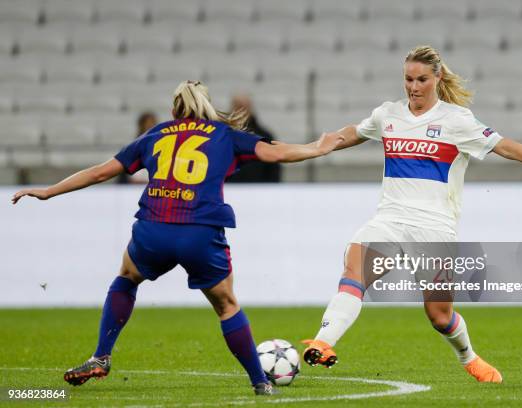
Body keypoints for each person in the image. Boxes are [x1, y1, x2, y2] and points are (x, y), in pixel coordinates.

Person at [12, 80, 344, 396]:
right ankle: (260, 382)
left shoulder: (155, 135)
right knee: (226, 305)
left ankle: (101, 356)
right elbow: (276, 153)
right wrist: (318, 148)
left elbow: (100, 171)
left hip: (154, 229)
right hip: (199, 231)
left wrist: (49, 192)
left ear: (175, 110)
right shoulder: (224, 135)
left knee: (127, 277)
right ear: (207, 107)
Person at [302, 46, 522, 383]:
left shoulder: (457, 120)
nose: (413, 87)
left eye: (421, 80)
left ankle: (469, 357)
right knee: (354, 271)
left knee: (439, 316)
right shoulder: (388, 114)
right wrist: (323, 144)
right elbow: (354, 132)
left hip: (434, 229)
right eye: (408, 80)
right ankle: (323, 343)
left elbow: (504, 145)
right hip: (389, 220)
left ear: (437, 78)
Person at [227, 93, 281, 183]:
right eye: (238, 106)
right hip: (229, 190)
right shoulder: (222, 135)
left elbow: (273, 169)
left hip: (258, 191)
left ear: (250, 108)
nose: (241, 111)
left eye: (244, 106)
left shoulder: (265, 136)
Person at [117, 111, 158, 184]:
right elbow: (124, 174)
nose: (151, 127)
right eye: (148, 124)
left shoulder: (160, 147)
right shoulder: (133, 148)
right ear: (141, 126)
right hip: (133, 189)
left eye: (153, 124)